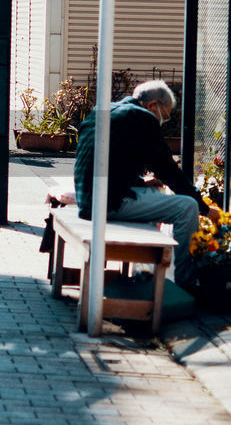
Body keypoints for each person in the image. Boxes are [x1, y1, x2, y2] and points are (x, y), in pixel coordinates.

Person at [73, 80, 222, 287]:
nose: (163, 121)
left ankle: (145, 271)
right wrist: (205, 209)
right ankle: (185, 283)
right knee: (188, 207)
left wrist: (141, 182)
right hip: (107, 203)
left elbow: (108, 161)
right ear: (153, 106)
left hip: (88, 198)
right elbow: (169, 171)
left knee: (154, 190)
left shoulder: (106, 110)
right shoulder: (141, 118)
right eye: (165, 116)